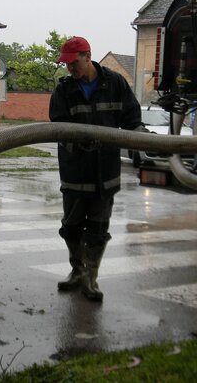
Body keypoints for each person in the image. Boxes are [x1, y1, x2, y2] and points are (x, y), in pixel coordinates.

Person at [49, 36, 147, 302]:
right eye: (66, 64)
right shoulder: (64, 91)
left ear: (87, 55)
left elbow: (131, 119)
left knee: (97, 229)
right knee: (71, 227)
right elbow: (57, 126)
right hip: (75, 172)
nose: (70, 68)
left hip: (105, 172)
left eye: (73, 62)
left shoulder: (115, 84)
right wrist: (79, 140)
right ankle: (77, 270)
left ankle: (91, 277)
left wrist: (144, 137)